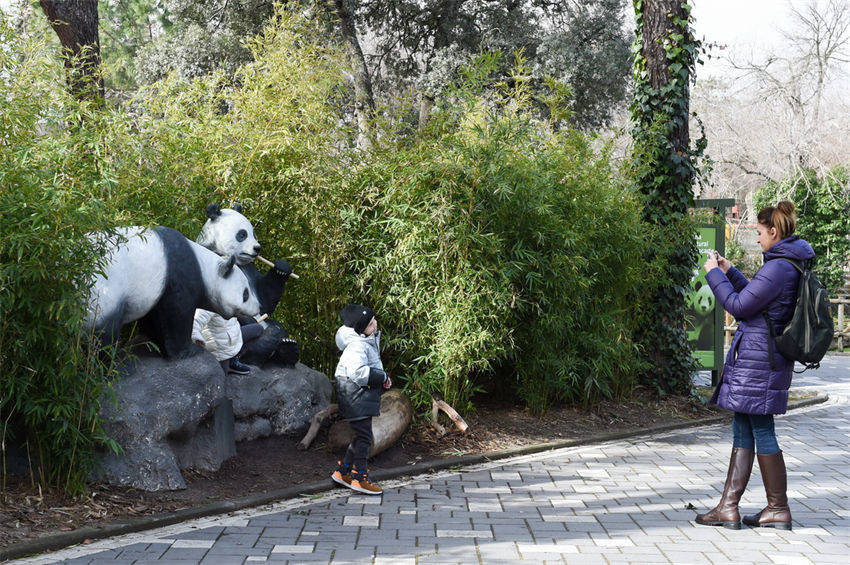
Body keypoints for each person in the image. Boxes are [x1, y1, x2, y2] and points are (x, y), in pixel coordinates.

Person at [695, 201, 813, 531]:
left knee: (760, 429)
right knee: (744, 427)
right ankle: (728, 507)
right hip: (761, 358)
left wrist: (713, 275)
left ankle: (777, 508)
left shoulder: (778, 268)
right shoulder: (786, 263)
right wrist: (730, 271)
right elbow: (759, 302)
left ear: (774, 232)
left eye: (760, 233)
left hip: (759, 360)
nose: (757, 238)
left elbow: (739, 306)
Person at [330, 304, 391, 495]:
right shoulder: (357, 345)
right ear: (361, 329)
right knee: (365, 437)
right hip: (355, 396)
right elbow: (357, 372)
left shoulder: (364, 340)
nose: (375, 325)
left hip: (359, 396)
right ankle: (360, 477)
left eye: (374, 321)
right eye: (371, 324)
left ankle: (343, 471)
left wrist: (382, 377)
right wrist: (381, 377)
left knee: (360, 436)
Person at [192, 309, 263, 375]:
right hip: (220, 349)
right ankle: (223, 364)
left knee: (258, 329)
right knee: (221, 378)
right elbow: (194, 324)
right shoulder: (207, 305)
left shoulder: (228, 298)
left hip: (234, 337)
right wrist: (198, 340)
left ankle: (233, 360)